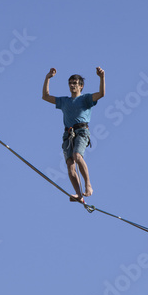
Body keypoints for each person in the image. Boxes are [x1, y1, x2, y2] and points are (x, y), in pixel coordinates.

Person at [42, 67, 105, 203]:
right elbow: (45, 96)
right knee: (70, 165)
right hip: (68, 134)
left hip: (82, 131)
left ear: (81, 86)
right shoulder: (64, 101)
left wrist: (101, 77)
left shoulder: (86, 99)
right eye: (70, 83)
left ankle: (88, 185)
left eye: (75, 83)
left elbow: (101, 94)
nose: (72, 85)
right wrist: (48, 78)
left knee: (77, 156)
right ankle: (79, 194)